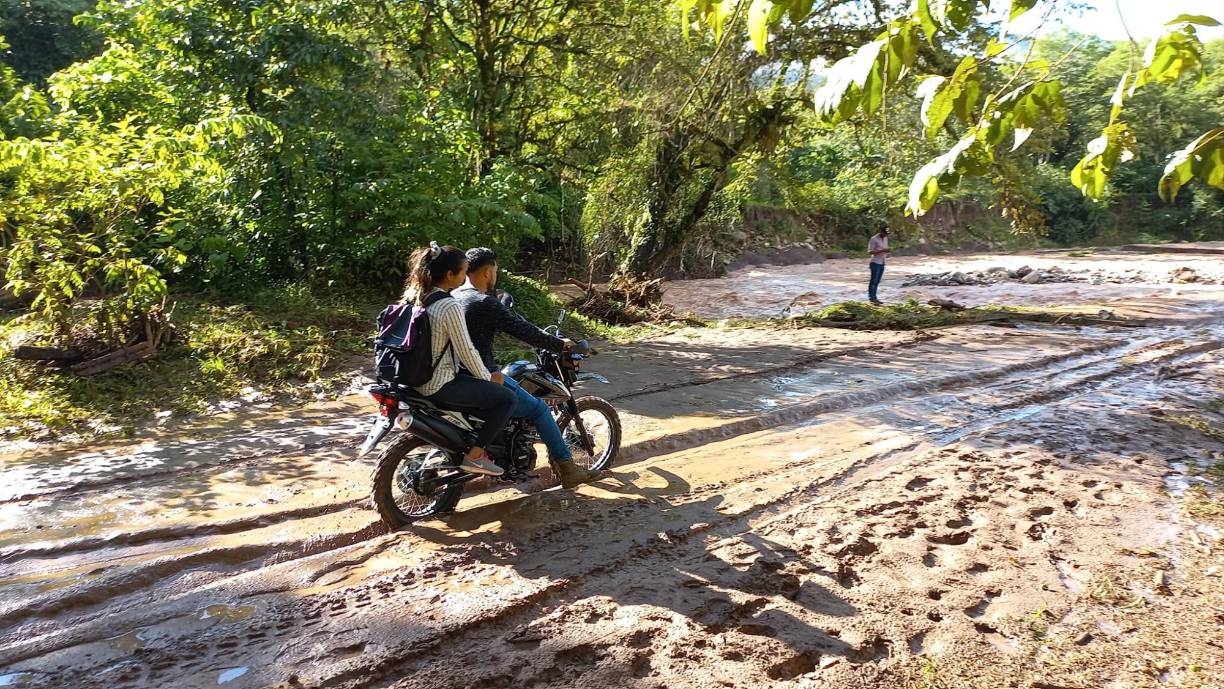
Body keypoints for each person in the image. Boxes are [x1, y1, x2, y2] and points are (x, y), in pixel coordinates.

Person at [452, 247, 601, 489]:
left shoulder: (454, 296)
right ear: (488, 272)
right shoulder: (484, 302)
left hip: (454, 374)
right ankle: (568, 469)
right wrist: (560, 345)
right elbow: (524, 331)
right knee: (540, 410)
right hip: (481, 375)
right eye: (496, 271)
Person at [403, 242, 516, 477]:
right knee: (506, 398)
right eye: (463, 272)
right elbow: (467, 350)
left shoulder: (414, 297)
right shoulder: (448, 304)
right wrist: (488, 378)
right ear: (449, 274)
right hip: (438, 384)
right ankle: (475, 456)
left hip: (411, 380)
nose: (466, 278)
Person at [867, 223, 891, 305]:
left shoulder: (885, 238)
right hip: (875, 262)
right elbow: (870, 252)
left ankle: (875, 298)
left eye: (886, 234)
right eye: (884, 233)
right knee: (873, 281)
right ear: (880, 231)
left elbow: (885, 248)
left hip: (882, 262)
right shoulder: (873, 239)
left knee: (877, 281)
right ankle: (872, 298)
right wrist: (882, 251)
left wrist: (887, 250)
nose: (885, 235)